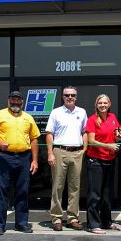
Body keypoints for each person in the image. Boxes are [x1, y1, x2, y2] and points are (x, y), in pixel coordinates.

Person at [0, 91, 40, 235]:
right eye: (13, 99)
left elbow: (34, 139)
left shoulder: (28, 117)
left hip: (24, 158)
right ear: (8, 100)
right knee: (2, 191)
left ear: (22, 101)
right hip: (4, 157)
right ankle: (0, 225)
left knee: (22, 191)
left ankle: (21, 224)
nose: (16, 102)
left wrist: (34, 160)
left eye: (18, 100)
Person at [46, 86, 87, 231]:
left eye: (73, 95)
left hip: (76, 152)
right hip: (60, 151)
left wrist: (84, 149)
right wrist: (50, 153)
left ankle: (72, 218)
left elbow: (84, 132)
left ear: (76, 97)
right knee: (57, 186)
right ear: (62, 97)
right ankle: (57, 218)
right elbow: (49, 134)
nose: (70, 97)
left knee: (75, 187)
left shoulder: (81, 112)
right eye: (67, 95)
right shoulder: (56, 112)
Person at [85, 94, 121, 234]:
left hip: (110, 160)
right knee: (95, 194)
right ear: (96, 105)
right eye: (100, 103)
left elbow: (116, 134)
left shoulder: (113, 118)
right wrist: (109, 146)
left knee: (107, 195)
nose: (103, 105)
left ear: (109, 103)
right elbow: (92, 141)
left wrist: (120, 137)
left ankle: (106, 222)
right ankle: (93, 224)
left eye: (105, 103)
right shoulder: (92, 119)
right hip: (96, 161)